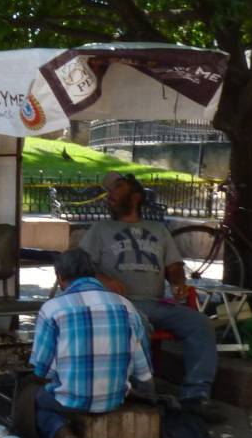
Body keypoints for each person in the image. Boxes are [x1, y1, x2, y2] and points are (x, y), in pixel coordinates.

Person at [79, 171, 223, 422]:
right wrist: (105, 279)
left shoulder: (158, 229)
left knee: (200, 323)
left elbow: (175, 266)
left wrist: (178, 283)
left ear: (135, 197)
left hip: (157, 304)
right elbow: (80, 267)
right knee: (138, 324)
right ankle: (141, 393)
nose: (109, 194)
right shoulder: (100, 229)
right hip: (119, 306)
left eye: (117, 188)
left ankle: (196, 397)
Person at [30, 249, 154, 438]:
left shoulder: (52, 309)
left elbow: (42, 371)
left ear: (59, 277)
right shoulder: (126, 306)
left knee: (31, 398)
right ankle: (65, 437)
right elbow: (143, 371)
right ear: (93, 274)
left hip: (71, 400)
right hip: (114, 399)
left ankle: (60, 434)